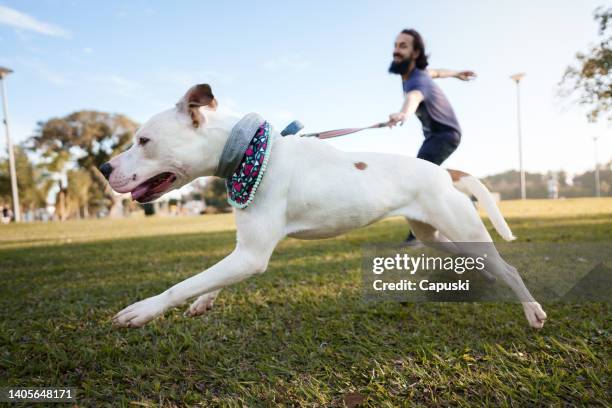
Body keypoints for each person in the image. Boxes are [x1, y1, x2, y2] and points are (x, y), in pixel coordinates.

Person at [387, 28, 476, 245]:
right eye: (396, 45)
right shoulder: (419, 74)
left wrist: (403, 113)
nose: (396, 51)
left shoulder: (417, 79)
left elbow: (414, 97)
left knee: (418, 178)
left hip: (445, 134)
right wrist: (456, 73)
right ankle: (466, 201)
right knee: (426, 178)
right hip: (437, 135)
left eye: (403, 46)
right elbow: (438, 72)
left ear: (415, 53)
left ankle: (417, 236)